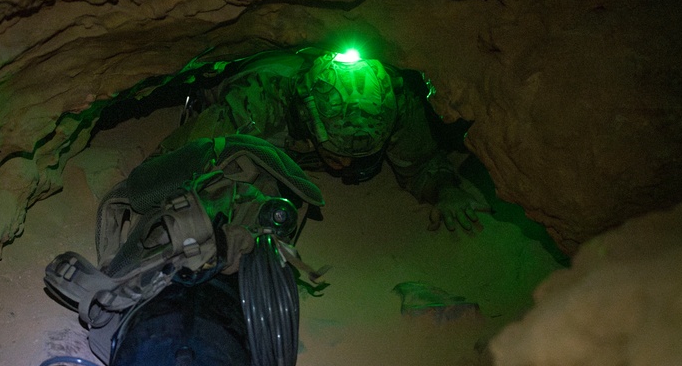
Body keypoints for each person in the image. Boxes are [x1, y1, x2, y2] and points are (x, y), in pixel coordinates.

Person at [155, 46, 491, 233]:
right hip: (244, 95)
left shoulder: (393, 105)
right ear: (308, 124)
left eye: (357, 158)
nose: (345, 165)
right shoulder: (260, 103)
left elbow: (422, 163)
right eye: (335, 154)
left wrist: (446, 191)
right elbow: (180, 155)